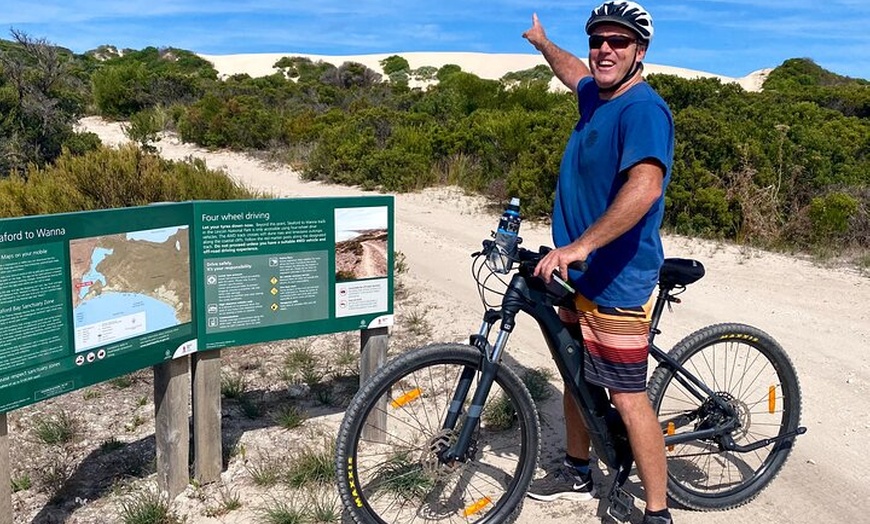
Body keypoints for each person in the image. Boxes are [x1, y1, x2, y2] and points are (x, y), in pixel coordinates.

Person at [522, 2, 675, 524]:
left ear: (640, 52)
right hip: (575, 276)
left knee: (628, 397)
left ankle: (657, 511)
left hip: (617, 279)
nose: (605, 49)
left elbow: (645, 186)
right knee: (574, 375)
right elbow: (576, 74)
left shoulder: (642, 110)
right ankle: (578, 468)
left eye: (619, 41)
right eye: (598, 40)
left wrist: (582, 245)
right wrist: (544, 44)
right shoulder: (596, 95)